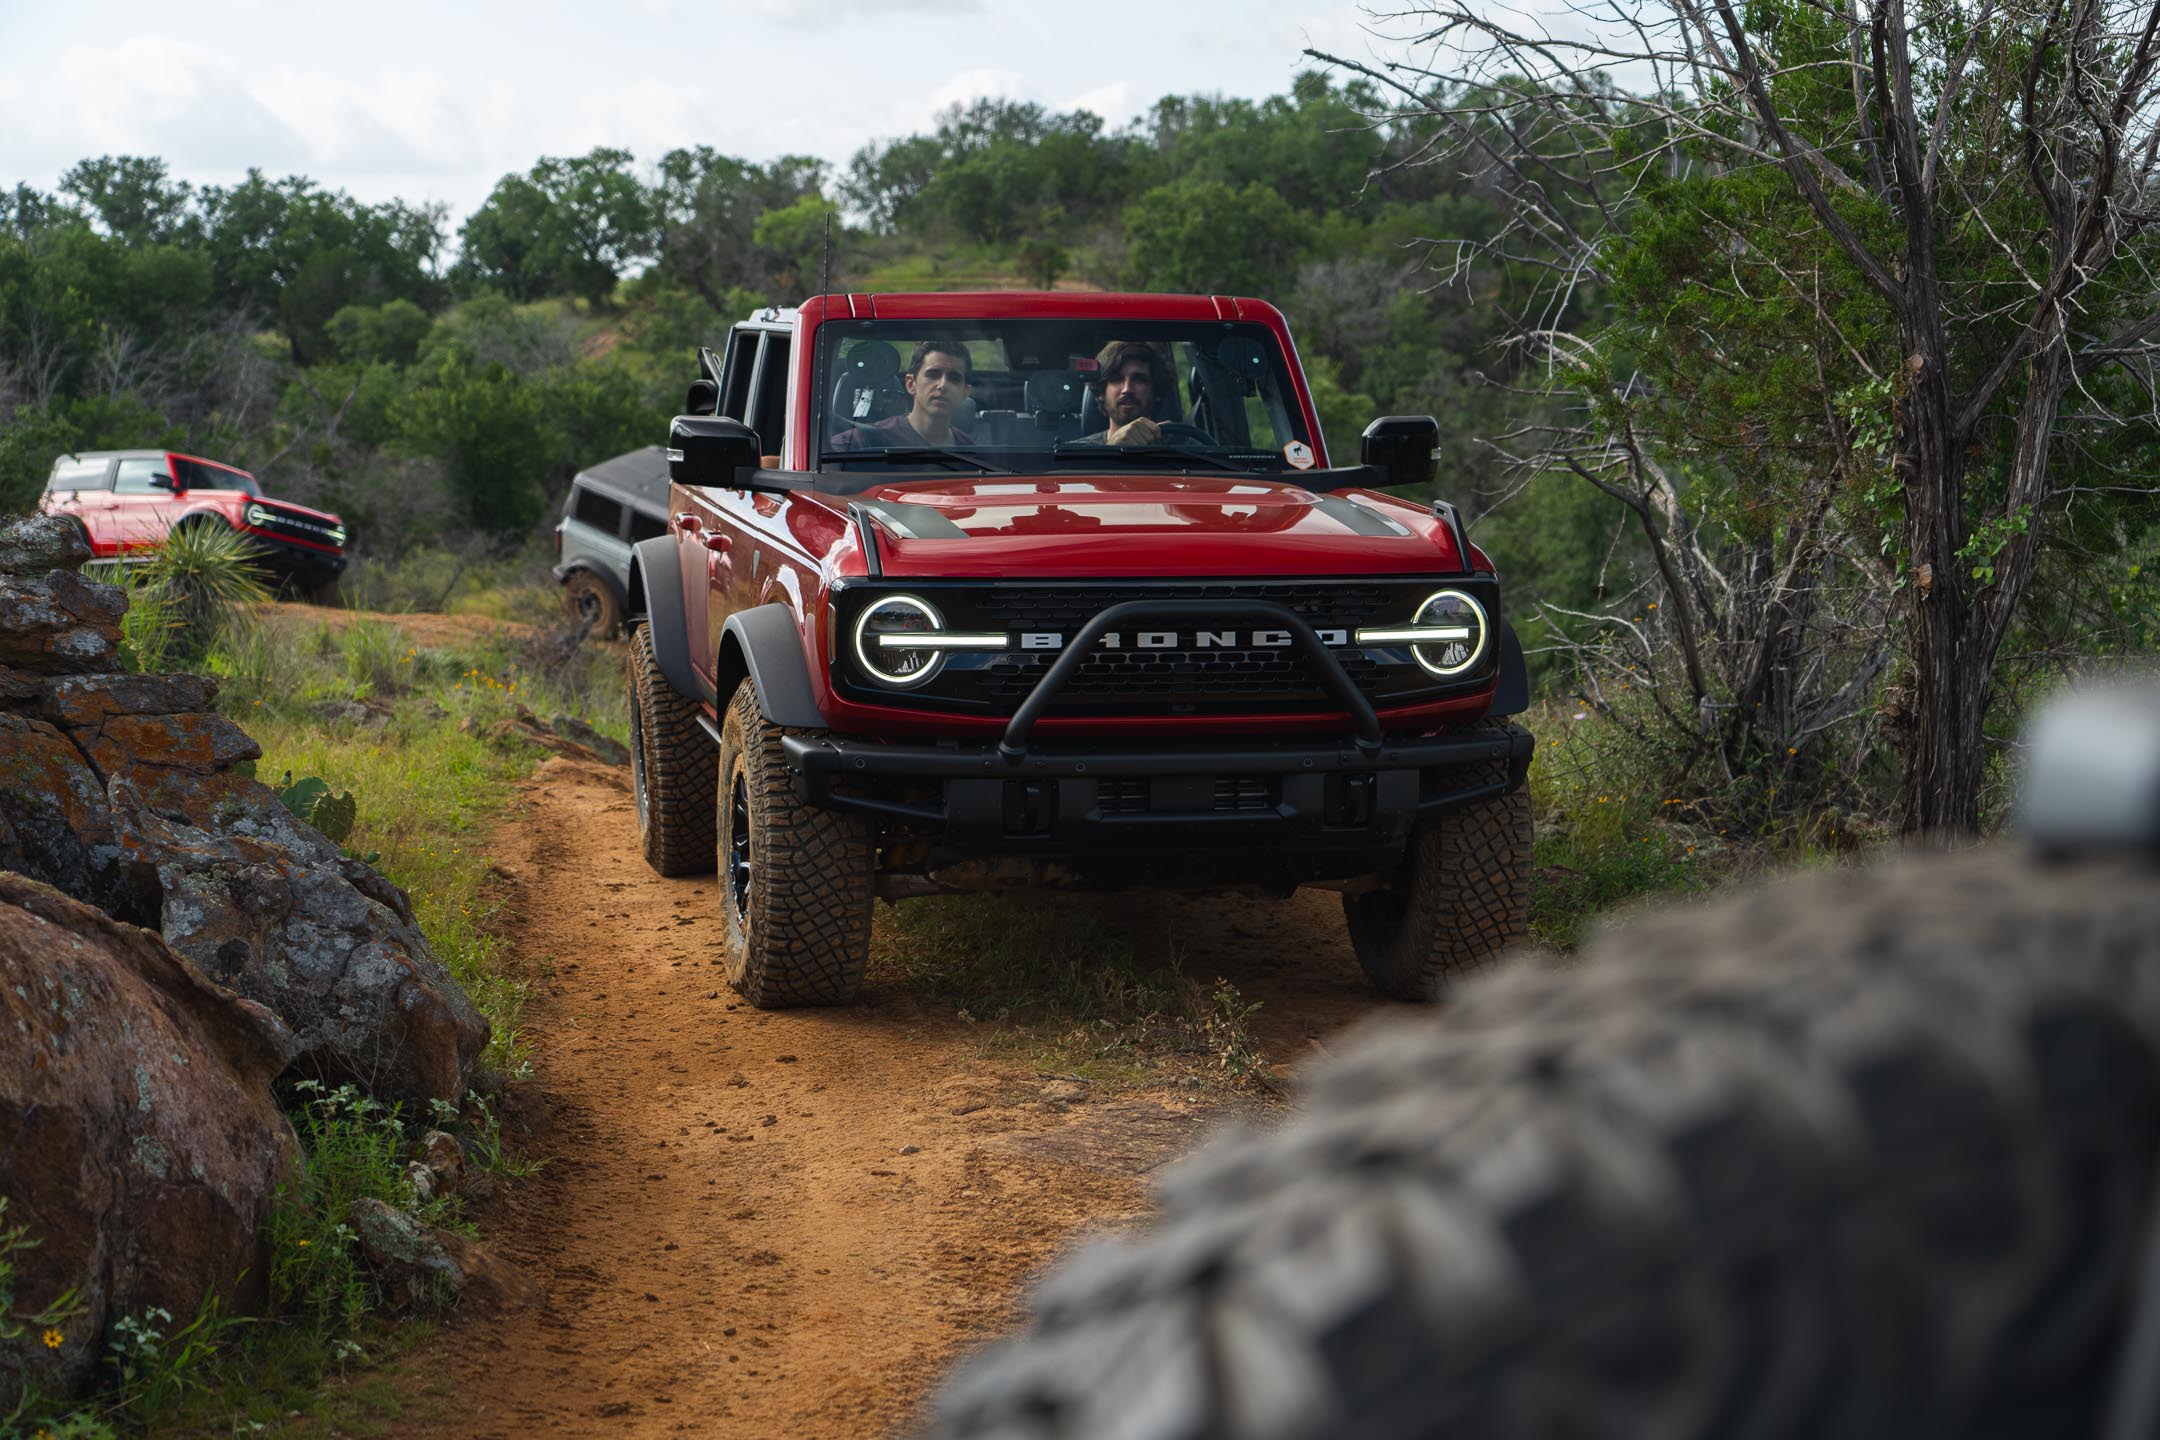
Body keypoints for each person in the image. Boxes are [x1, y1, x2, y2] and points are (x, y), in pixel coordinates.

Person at [831, 339, 975, 449]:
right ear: (911, 384)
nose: (942, 385)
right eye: (933, 375)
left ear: (965, 392)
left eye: (954, 378)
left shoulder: (970, 450)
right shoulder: (865, 441)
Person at [1078, 340, 1175, 445]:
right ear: (1102, 393)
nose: (1127, 389)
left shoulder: (1184, 451)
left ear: (1156, 392)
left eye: (1140, 380)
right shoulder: (1074, 456)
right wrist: (1111, 450)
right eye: (1117, 379)